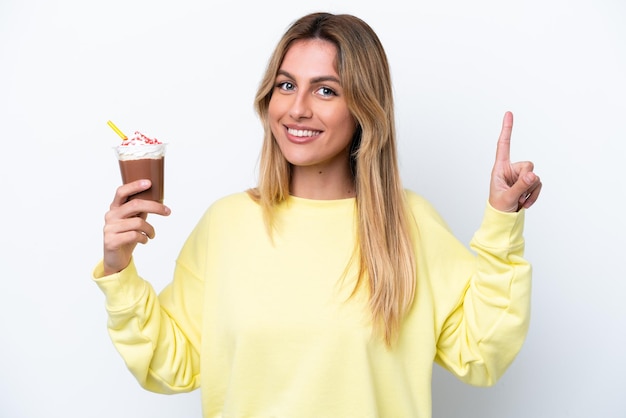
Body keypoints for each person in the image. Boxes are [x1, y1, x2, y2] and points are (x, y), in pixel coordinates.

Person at [93, 12, 542, 418]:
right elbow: (171, 365)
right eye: (286, 85)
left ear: (365, 110)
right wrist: (120, 269)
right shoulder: (227, 224)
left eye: (326, 89)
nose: (298, 108)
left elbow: (482, 354)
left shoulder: (410, 223)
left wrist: (502, 222)